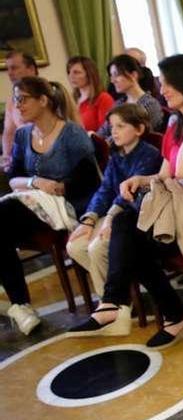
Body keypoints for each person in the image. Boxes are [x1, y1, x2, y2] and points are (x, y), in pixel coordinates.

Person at [67, 54, 183, 349]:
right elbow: (165, 174)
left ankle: (153, 311)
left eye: (168, 84)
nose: (162, 90)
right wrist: (142, 180)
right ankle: (117, 302)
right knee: (127, 231)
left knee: (131, 242)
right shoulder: (176, 124)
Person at [1, 77, 99, 335]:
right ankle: (20, 305)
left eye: (22, 99)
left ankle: (20, 305)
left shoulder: (71, 133)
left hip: (70, 203)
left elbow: (90, 179)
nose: (17, 106)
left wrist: (60, 187)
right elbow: (13, 179)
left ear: (43, 100)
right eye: (15, 99)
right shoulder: (23, 135)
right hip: (34, 204)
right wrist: (37, 181)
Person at [66, 104, 162, 296]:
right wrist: (90, 219)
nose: (114, 131)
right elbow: (105, 190)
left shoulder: (148, 154)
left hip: (136, 216)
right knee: (75, 246)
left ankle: (113, 301)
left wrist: (109, 220)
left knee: (97, 248)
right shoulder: (117, 156)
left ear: (139, 129)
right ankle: (117, 295)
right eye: (112, 126)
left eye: (120, 126)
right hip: (116, 213)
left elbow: (129, 195)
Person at [97, 54, 164, 138]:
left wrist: (106, 143)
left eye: (116, 75)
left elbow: (140, 137)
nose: (113, 81)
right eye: (111, 76)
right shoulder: (118, 104)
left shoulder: (149, 104)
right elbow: (103, 131)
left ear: (133, 75)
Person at [2, 51, 39, 168]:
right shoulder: (11, 102)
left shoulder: (49, 94)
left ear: (31, 69)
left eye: (14, 68)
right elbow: (9, 132)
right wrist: (6, 157)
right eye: (8, 68)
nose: (9, 73)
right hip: (24, 156)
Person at [67, 56, 114, 133]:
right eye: (69, 72)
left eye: (76, 72)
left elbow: (106, 131)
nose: (71, 76)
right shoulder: (72, 100)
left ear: (89, 74)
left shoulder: (103, 98)